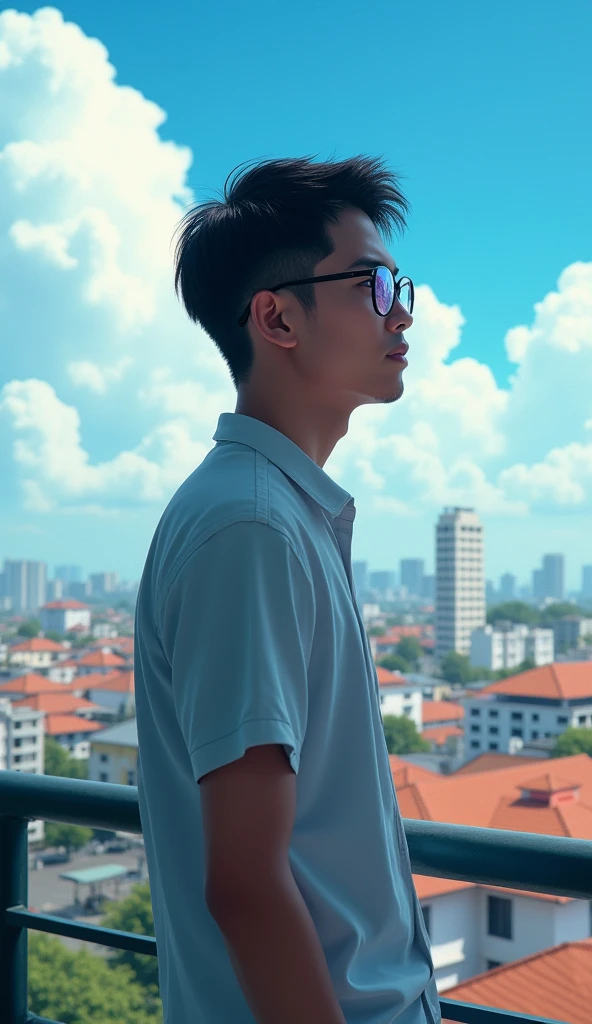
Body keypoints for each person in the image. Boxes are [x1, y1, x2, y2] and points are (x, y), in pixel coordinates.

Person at [134, 153, 442, 1024]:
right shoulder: (253, 528)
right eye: (375, 286)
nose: (404, 310)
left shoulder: (272, 513)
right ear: (276, 318)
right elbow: (246, 883)